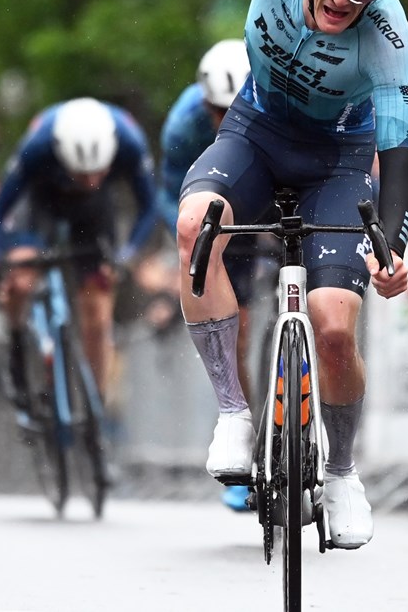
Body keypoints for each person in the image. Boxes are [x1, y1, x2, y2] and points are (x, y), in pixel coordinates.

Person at [166, 0, 408, 551]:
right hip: (259, 129)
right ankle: (235, 415)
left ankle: (341, 472)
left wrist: (393, 242)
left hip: (341, 158)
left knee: (339, 326)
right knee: (194, 226)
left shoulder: (386, 31)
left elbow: (399, 144)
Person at [0, 98, 157, 414]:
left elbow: (148, 208)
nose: (89, 180)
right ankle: (17, 341)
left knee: (98, 313)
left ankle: (96, 407)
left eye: (97, 173)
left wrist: (125, 256)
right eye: (81, 173)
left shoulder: (129, 142)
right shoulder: (38, 146)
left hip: (93, 213)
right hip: (41, 202)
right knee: (21, 277)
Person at [157, 38, 258, 512]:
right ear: (203, 104)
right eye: (216, 111)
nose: (223, 122)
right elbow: (167, 195)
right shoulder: (183, 125)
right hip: (212, 211)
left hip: (259, 197)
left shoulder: (272, 100)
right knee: (235, 338)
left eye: (231, 110)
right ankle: (245, 433)